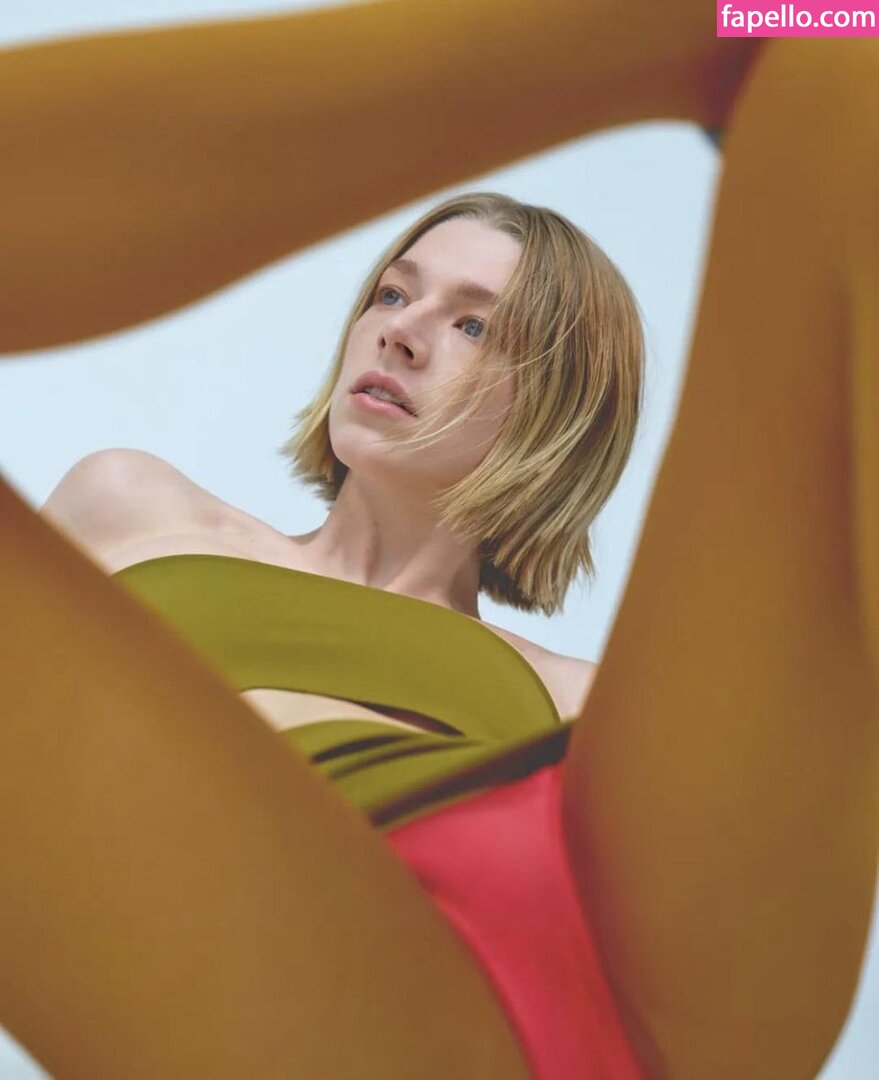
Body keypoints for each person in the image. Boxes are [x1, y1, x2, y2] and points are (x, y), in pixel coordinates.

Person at [1, 4, 877, 1080]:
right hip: (352, 1013)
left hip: (637, 968)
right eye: (392, 291)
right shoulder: (133, 510)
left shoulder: (591, 700)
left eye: (474, 325)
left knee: (845, 71)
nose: (400, 331)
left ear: (559, 406)